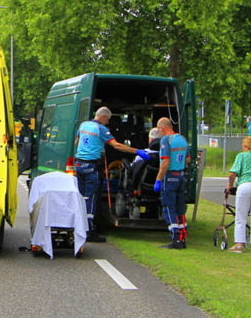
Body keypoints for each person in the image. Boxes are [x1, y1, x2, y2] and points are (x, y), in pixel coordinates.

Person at [75, 107, 151, 242]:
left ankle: (78, 226)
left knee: (81, 197)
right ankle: (89, 231)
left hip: (79, 164)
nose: (108, 123)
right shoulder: (101, 129)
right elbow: (117, 146)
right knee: (91, 198)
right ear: (103, 117)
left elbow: (77, 141)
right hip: (91, 165)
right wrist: (137, 151)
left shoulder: (83, 125)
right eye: (108, 120)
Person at [153, 117, 189, 249]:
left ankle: (175, 239)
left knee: (169, 207)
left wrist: (158, 179)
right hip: (181, 175)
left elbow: (165, 162)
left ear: (162, 128)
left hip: (170, 177)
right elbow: (188, 159)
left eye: (159, 130)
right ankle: (182, 237)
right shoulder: (183, 139)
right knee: (180, 209)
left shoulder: (166, 140)